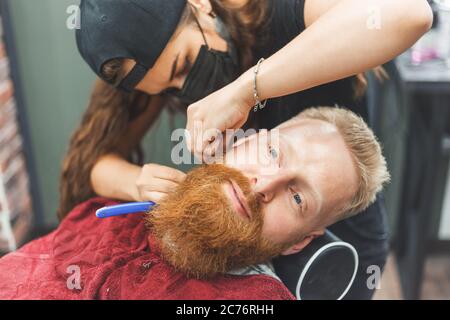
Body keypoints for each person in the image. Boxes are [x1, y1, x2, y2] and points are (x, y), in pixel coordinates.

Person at [61, 0, 433, 298]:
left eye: (185, 65)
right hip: (247, 246)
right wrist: (136, 180)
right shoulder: (149, 72)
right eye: (168, 89)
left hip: (336, 240)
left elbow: (408, 14)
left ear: (201, 6)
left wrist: (245, 89)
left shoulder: (276, 12)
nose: (183, 87)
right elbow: (90, 162)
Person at [0, 107, 389, 299]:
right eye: (272, 153)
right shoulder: (119, 205)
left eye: (298, 197)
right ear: (245, 137)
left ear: (299, 242)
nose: (262, 186)